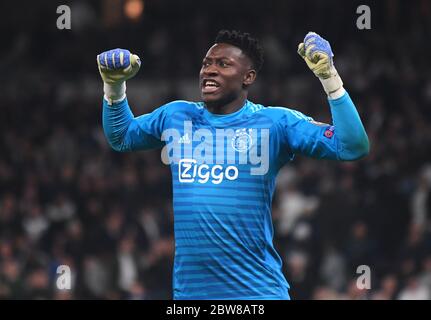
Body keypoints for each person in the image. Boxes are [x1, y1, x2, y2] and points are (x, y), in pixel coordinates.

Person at [97, 30, 369, 299]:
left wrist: (329, 77)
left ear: (248, 77)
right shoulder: (177, 115)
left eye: (223, 64)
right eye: (206, 63)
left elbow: (351, 146)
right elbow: (122, 137)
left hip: (256, 293)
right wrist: (114, 86)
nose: (209, 71)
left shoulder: (275, 123)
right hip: (192, 296)